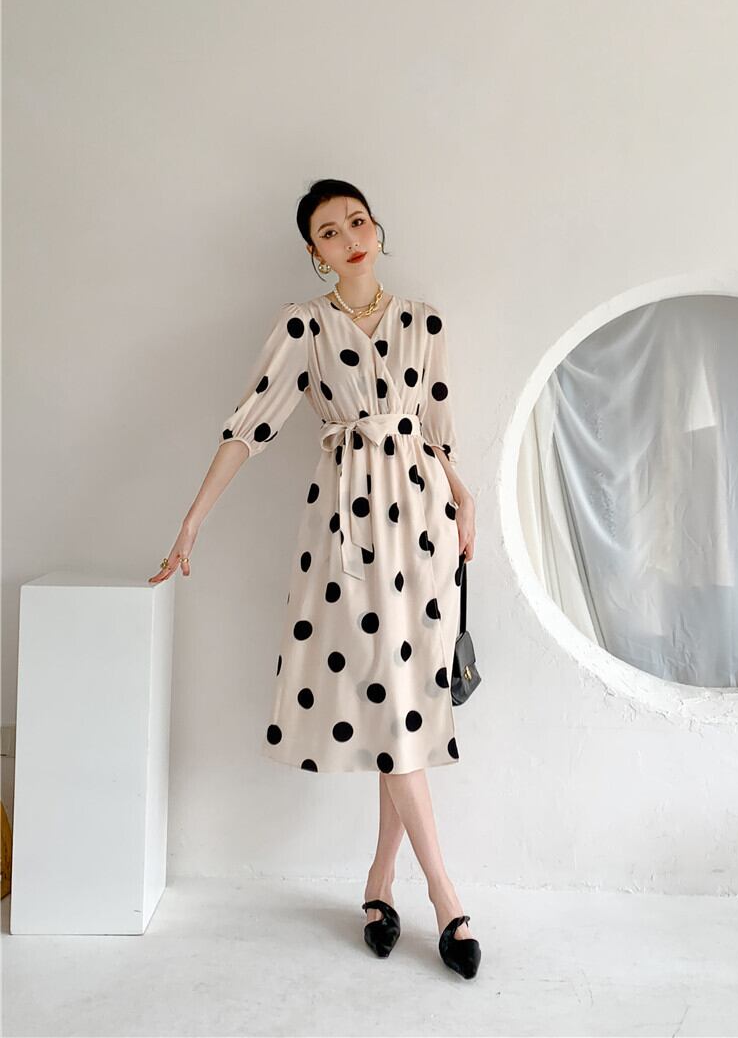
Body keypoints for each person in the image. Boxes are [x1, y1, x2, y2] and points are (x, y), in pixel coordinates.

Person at [148, 179, 481, 979]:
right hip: (348, 535)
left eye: (358, 222)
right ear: (314, 251)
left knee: (402, 711)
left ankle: (379, 883)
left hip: (424, 528)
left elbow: (439, 431)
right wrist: (193, 518)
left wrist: (465, 500)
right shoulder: (304, 325)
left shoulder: (425, 321)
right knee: (390, 703)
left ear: (378, 229)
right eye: (330, 231)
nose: (350, 237)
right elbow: (249, 424)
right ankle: (445, 897)